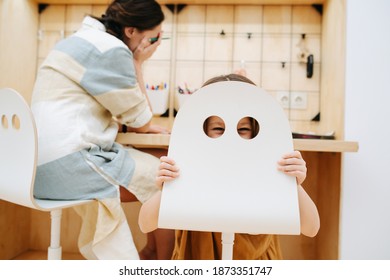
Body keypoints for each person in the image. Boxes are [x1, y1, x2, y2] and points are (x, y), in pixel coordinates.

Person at [31, 0, 174, 260]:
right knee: (168, 177)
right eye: (154, 37)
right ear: (131, 31)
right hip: (69, 168)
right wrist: (138, 62)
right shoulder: (112, 50)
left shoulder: (76, 41)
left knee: (159, 164)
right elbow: (140, 122)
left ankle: (152, 253)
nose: (156, 43)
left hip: (36, 169)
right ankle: (163, 263)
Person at [138, 73, 320, 260]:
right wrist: (166, 188)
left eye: (243, 129)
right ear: (202, 128)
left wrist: (294, 185)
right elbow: (146, 223)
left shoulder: (268, 167)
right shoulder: (190, 166)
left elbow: (311, 227)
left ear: (256, 129)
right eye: (218, 129)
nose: (231, 137)